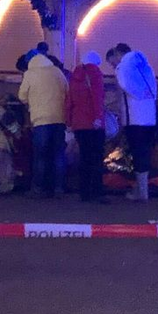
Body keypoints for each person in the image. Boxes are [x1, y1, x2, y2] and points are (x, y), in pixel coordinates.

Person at [106, 42, 158, 202]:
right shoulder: (146, 66)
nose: (113, 65)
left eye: (112, 62)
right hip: (150, 117)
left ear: (117, 54)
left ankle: (141, 192)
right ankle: (143, 189)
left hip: (135, 118)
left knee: (138, 154)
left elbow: (125, 91)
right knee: (145, 153)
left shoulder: (123, 68)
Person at [18, 49, 69, 197]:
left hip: (40, 120)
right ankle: (59, 188)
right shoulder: (57, 71)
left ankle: (38, 188)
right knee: (58, 154)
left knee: (40, 155)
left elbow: (22, 96)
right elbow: (67, 90)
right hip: (59, 119)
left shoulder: (30, 74)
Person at [66, 51, 107, 203]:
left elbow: (69, 101)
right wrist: (98, 117)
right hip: (93, 123)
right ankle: (96, 192)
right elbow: (97, 97)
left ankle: (84, 193)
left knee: (84, 157)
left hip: (78, 123)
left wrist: (69, 121)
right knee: (96, 158)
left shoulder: (74, 77)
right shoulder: (95, 74)